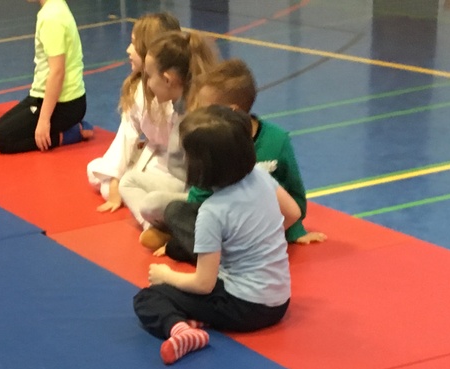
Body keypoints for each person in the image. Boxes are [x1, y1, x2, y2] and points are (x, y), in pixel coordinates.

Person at [134, 106, 291, 365]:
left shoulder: (213, 211)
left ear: (200, 166)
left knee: (148, 297)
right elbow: (292, 213)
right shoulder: (261, 177)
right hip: (280, 301)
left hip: (245, 308)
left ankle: (180, 330)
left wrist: (166, 276)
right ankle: (197, 318)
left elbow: (203, 284)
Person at [160, 59, 325, 262]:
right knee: (176, 211)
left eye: (206, 108)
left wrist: (294, 230)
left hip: (257, 227)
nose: (200, 114)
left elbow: (294, 192)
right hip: (219, 223)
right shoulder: (211, 143)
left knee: (179, 244)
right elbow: (198, 196)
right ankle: (205, 249)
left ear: (232, 110)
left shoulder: (277, 140)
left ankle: (209, 253)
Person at [124, 30, 219, 247]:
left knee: (151, 204)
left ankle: (178, 231)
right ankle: (159, 229)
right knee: (129, 180)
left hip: (208, 198)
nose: (147, 84)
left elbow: (207, 183)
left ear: (167, 79)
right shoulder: (181, 106)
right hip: (187, 185)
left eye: (149, 76)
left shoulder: (196, 119)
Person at [85, 13, 181, 214]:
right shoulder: (138, 88)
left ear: (150, 51)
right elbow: (126, 134)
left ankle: (160, 211)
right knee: (96, 171)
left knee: (128, 186)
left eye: (134, 44)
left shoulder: (175, 93)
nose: (128, 50)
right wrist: (114, 180)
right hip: (154, 159)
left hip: (176, 170)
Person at [0, 0, 90, 154]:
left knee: (1, 138)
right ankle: (71, 124)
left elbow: (57, 72)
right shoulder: (55, 6)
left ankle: (70, 134)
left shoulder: (51, 17)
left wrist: (44, 121)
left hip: (65, 104)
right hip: (47, 97)